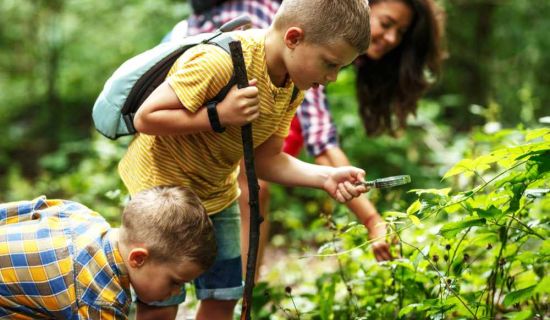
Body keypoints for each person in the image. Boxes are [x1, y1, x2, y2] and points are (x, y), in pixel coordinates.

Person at [118, 0, 372, 319]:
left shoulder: (292, 86)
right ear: (294, 38)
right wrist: (219, 114)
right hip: (162, 193)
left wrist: (325, 178)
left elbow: (267, 160)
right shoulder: (220, 60)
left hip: (217, 193)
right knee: (161, 301)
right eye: (330, 63)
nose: (332, 77)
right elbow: (147, 118)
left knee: (224, 296)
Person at [177, 0, 444, 272]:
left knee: (256, 176)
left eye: (400, 33)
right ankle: (241, 294)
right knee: (250, 184)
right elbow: (322, 141)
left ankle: (242, 296)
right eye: (386, 24)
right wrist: (372, 220)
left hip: (234, 124)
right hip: (186, 100)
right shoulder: (296, 33)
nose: (391, 39)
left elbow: (296, 146)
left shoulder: (322, 51)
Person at [0, 186, 216, 319]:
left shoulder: (83, 216)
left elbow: (24, 210)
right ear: (138, 258)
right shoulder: (103, 299)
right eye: (175, 282)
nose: (176, 292)